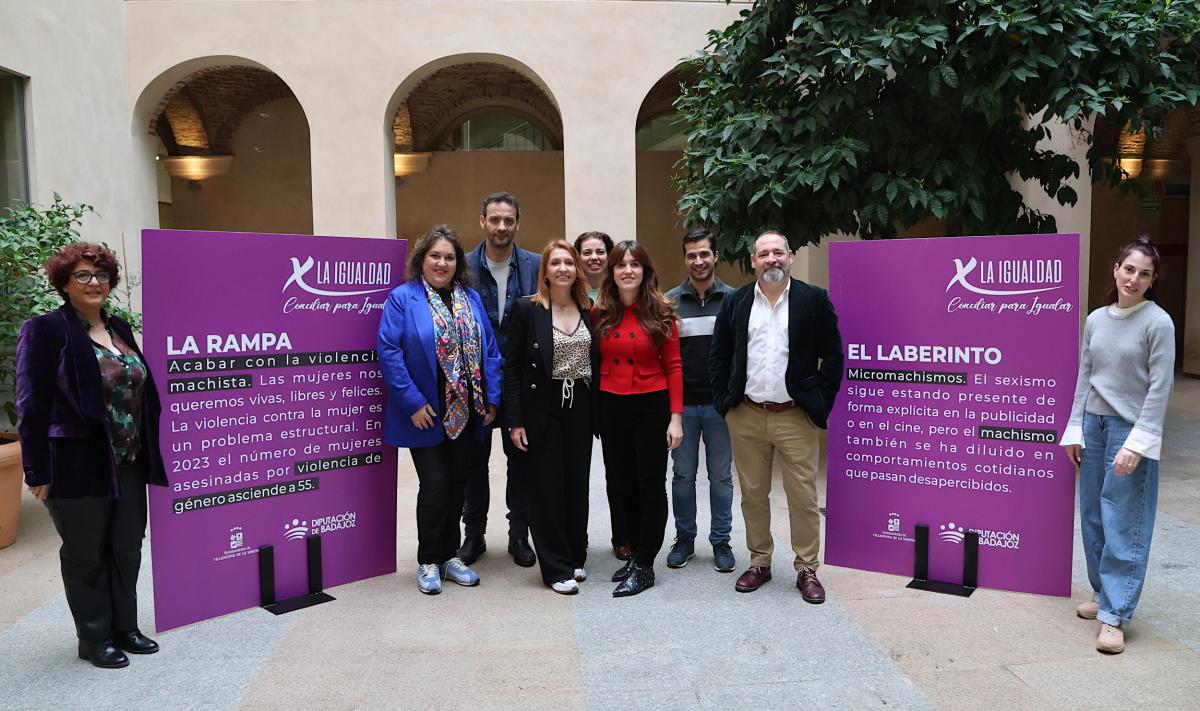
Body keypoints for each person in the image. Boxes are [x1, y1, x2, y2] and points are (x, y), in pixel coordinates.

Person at [16, 242, 167, 669]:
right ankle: (95, 637)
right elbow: (31, 404)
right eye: (82, 275)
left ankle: (125, 627)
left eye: (101, 275)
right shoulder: (45, 330)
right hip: (76, 464)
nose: (94, 282)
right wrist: (36, 469)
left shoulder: (119, 326)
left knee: (126, 547)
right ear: (64, 283)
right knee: (85, 553)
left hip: (130, 462)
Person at [710, 230, 843, 603]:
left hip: (794, 415)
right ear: (752, 260)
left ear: (791, 256)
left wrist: (820, 402)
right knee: (753, 495)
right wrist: (725, 402)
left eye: (778, 252)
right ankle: (760, 562)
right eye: (763, 253)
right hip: (747, 414)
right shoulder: (736, 301)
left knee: (802, 495)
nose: (771, 259)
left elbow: (833, 356)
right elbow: (719, 355)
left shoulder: (813, 300)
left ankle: (807, 569)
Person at [1060, 236, 1174, 655]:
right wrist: (1075, 428)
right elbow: (1084, 376)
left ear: (1152, 280)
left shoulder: (1157, 322)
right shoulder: (1096, 319)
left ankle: (1116, 615)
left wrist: (1139, 443)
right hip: (1093, 426)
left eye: (1144, 273)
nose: (1134, 279)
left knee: (1124, 520)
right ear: (1116, 269)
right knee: (1092, 515)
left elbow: (1161, 389)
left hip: (1129, 430)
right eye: (1129, 269)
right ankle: (1102, 594)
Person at [378, 225, 502, 595]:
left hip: (468, 411)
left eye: (449, 257)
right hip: (426, 413)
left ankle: (450, 557)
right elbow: (389, 352)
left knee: (458, 485)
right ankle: (429, 560)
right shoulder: (403, 298)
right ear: (422, 259)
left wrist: (491, 398)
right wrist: (413, 402)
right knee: (434, 485)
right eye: (435, 256)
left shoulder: (471, 299)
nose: (442, 263)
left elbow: (491, 350)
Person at [503, 240, 600, 594]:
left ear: (577, 269)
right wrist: (514, 421)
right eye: (555, 262)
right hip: (541, 408)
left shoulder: (588, 308)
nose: (562, 268)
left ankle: (575, 555)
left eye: (568, 262)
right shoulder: (527, 310)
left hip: (581, 405)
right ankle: (555, 567)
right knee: (547, 488)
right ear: (544, 270)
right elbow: (510, 367)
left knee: (577, 485)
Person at [593, 240, 683, 597]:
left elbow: (674, 366)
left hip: (650, 405)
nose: (627, 270)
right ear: (611, 272)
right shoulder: (601, 313)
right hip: (612, 404)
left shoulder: (661, 311)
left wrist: (675, 418)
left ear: (645, 271)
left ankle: (645, 562)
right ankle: (629, 548)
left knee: (650, 484)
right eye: (620, 264)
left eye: (634, 264)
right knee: (619, 483)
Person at [462, 191, 540, 568]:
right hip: (472, 382)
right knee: (472, 462)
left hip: (520, 383)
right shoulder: (460, 268)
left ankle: (518, 535)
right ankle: (473, 534)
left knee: (520, 461)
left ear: (517, 223)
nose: (502, 227)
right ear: (483, 222)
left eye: (508, 220)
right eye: (495, 219)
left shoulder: (536, 265)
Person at [663, 228, 737, 573]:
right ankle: (685, 539)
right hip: (683, 407)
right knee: (682, 475)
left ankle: (721, 541)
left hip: (721, 407)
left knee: (721, 477)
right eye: (691, 255)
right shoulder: (669, 303)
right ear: (685, 258)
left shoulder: (735, 300)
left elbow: (741, 355)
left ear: (715, 256)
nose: (698, 261)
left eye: (704, 254)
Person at [574, 231, 612, 305]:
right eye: (587, 253)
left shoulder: (619, 292)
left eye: (600, 252)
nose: (594, 257)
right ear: (578, 257)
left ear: (609, 256)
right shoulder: (569, 293)